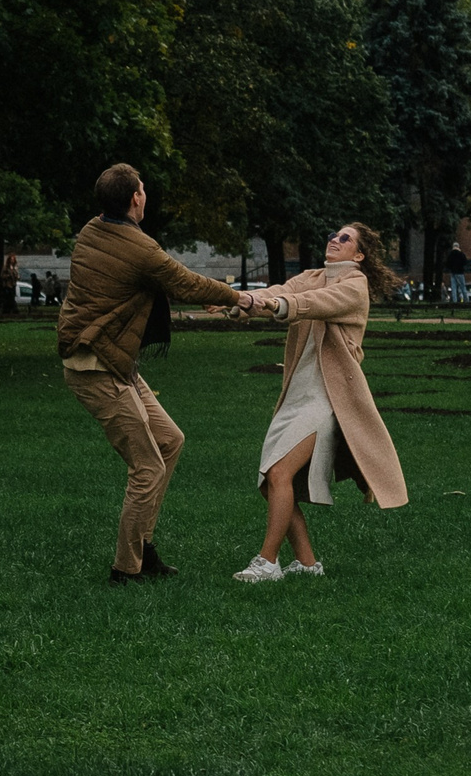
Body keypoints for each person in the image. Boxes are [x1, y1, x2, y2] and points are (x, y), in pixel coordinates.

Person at [56, 164, 256, 585]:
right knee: (147, 467)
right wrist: (241, 297)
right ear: (135, 199)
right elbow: (185, 281)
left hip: (114, 360)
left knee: (170, 440)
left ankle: (143, 548)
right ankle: (125, 570)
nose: (145, 194)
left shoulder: (92, 230)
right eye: (143, 189)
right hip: (96, 367)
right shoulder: (137, 248)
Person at [235, 223, 410, 581]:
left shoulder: (354, 286)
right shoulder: (314, 275)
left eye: (345, 238)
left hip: (328, 397)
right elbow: (281, 290)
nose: (335, 239)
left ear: (359, 255)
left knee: (280, 473)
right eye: (333, 234)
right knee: (272, 482)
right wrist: (238, 301)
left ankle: (267, 562)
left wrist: (279, 304)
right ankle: (309, 564)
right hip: (298, 393)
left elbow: (314, 304)